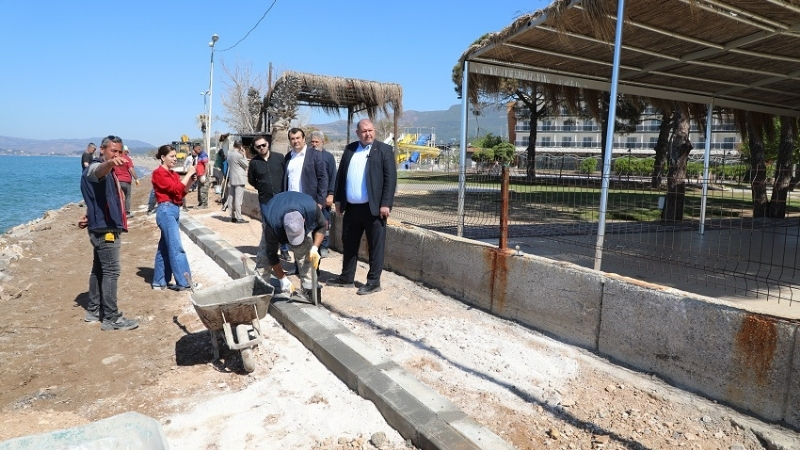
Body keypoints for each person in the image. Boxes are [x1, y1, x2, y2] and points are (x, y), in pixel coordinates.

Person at [326, 119, 397, 295]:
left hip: (374, 209)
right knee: (349, 243)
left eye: (371, 130)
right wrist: (339, 200)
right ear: (358, 133)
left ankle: (373, 282)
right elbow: (341, 176)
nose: (368, 134)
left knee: (375, 245)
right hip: (351, 208)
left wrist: (386, 203)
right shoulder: (350, 149)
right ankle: (346, 277)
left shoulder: (384, 150)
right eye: (364, 131)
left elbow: (390, 179)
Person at [78, 135, 139, 331]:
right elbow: (98, 171)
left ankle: (94, 310)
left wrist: (89, 213)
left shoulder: (108, 170)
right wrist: (111, 163)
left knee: (98, 269)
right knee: (111, 271)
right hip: (106, 230)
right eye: (113, 151)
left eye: (120, 152)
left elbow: (97, 197)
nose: (118, 155)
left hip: (100, 225)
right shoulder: (96, 167)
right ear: (102, 150)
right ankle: (111, 318)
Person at [260, 191, 325, 299]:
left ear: (304, 220)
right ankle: (261, 287)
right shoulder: (272, 223)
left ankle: (309, 288)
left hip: (300, 206)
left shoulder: (312, 208)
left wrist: (315, 248)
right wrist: (282, 279)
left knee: (306, 256)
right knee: (264, 257)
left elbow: (322, 226)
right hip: (275, 210)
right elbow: (271, 254)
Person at [151, 144, 197, 291]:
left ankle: (159, 281)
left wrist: (190, 181)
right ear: (163, 157)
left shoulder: (173, 174)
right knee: (176, 247)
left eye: (175, 156)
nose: (174, 159)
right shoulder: (159, 173)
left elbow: (180, 193)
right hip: (166, 210)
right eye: (172, 156)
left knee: (164, 248)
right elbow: (175, 189)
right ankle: (184, 282)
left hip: (174, 209)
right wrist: (189, 174)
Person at [282, 128, 328, 264]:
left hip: (310, 203)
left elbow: (323, 179)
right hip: (292, 204)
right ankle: (298, 267)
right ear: (290, 140)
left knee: (312, 237)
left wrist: (320, 201)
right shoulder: (288, 157)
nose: (295, 141)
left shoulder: (314, 154)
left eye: (298, 138)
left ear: (303, 139)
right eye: (292, 139)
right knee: (296, 236)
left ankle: (314, 272)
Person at [246, 136, 285, 267]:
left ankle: (284, 249)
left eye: (263, 145)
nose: (262, 148)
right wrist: (262, 187)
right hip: (265, 200)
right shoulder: (254, 163)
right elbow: (251, 180)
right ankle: (272, 252)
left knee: (284, 223)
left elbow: (285, 175)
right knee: (268, 226)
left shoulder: (279, 158)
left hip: (281, 198)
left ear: (268, 144)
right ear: (255, 148)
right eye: (258, 146)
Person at [309, 131, 336, 257]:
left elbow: (332, 176)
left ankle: (324, 246)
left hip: (324, 197)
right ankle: (311, 245)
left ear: (322, 142)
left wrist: (331, 194)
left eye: (316, 142)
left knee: (324, 222)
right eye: (312, 142)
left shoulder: (328, 157)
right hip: (310, 197)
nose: (314, 144)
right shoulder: (307, 155)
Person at [226, 140, 249, 223]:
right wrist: (244, 155)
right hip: (239, 179)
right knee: (238, 199)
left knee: (231, 198)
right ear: (240, 146)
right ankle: (239, 217)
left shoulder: (229, 155)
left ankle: (232, 216)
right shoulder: (239, 156)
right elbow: (246, 165)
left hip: (232, 178)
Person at [114, 145, 140, 218]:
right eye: (127, 152)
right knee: (127, 196)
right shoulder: (127, 159)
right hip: (126, 181)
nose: (127, 153)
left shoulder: (115, 159)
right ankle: (127, 212)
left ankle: (118, 212)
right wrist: (136, 179)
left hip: (117, 181)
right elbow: (131, 169)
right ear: (125, 151)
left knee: (118, 197)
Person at [193, 144, 210, 208]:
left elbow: (206, 166)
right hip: (199, 175)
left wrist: (204, 175)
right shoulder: (199, 155)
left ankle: (204, 204)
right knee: (200, 190)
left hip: (203, 176)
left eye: (195, 150)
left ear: (199, 149)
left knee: (203, 190)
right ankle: (200, 203)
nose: (195, 152)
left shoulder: (203, 155)